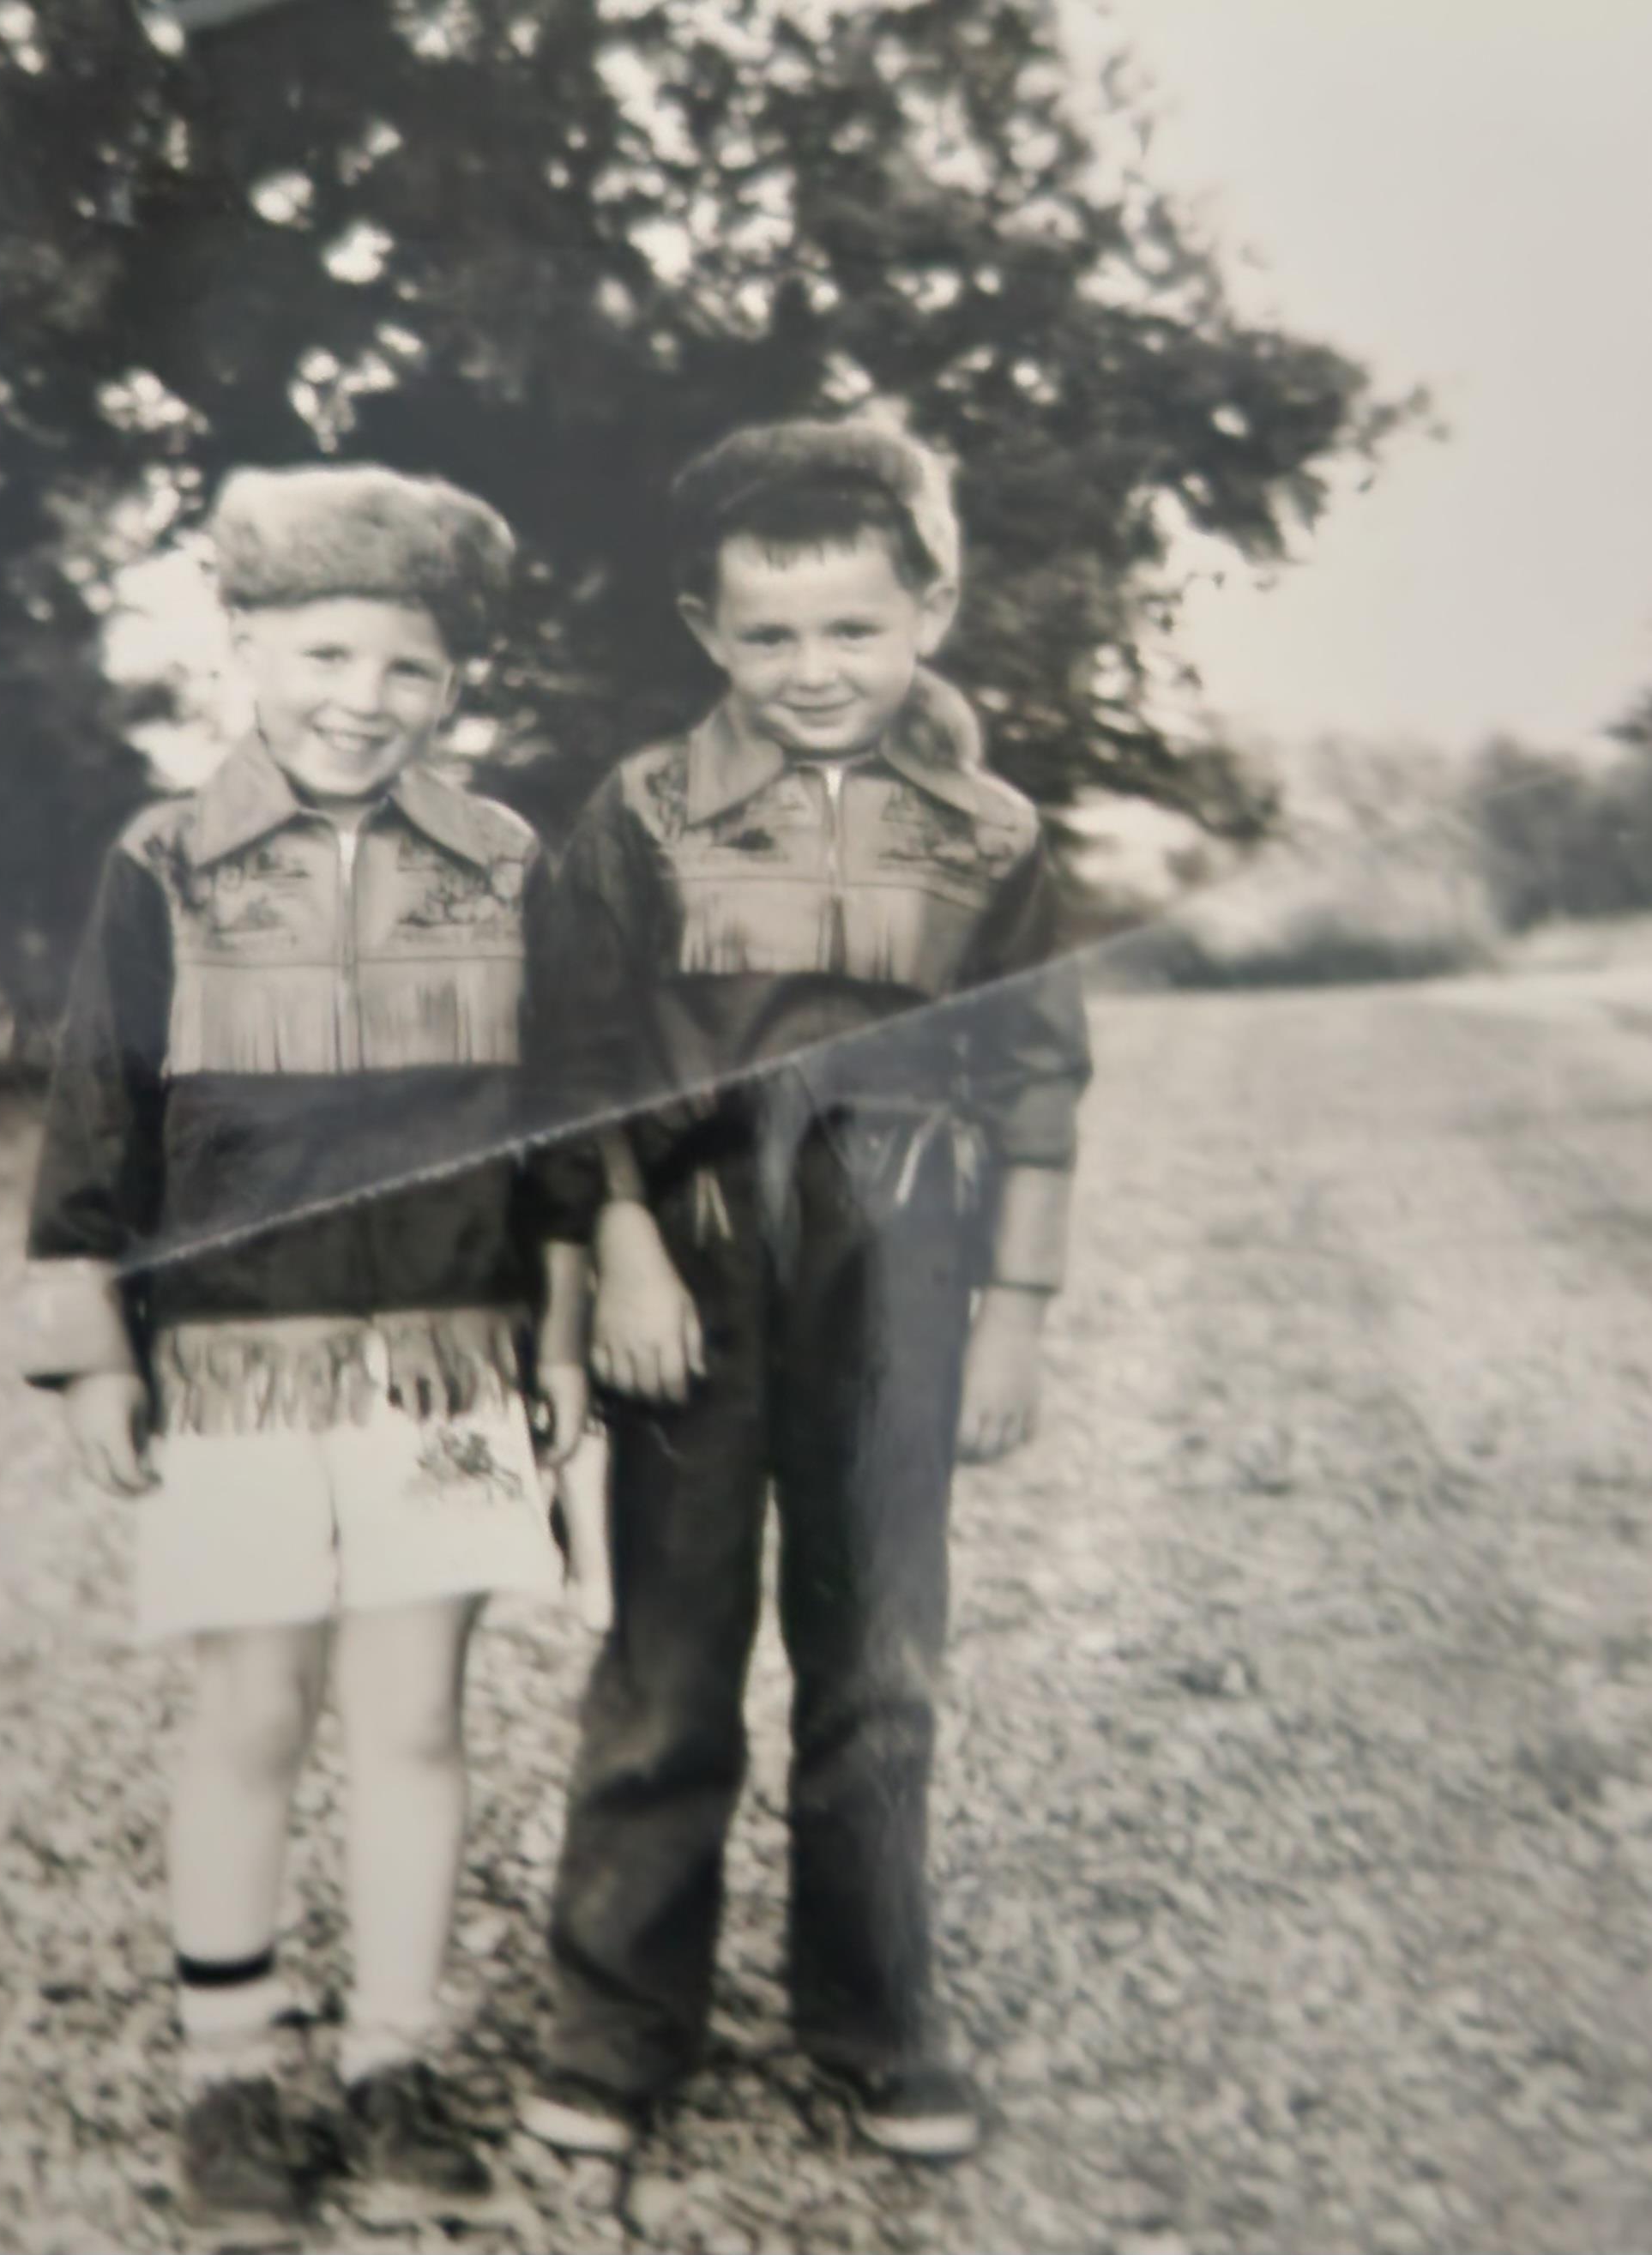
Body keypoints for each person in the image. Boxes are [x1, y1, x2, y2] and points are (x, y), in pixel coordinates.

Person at [18, 464, 594, 2241]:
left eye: (409, 667)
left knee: (417, 1718)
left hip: (448, 1358)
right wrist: (97, 1345)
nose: (363, 696)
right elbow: (96, 1114)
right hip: (239, 1363)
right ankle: (229, 2078)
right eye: (324, 650)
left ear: (454, 685)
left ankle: (394, 2063)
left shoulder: (506, 862)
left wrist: (562, 1320)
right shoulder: (163, 859)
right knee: (253, 1709)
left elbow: (562, 1117)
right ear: (246, 645)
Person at [518, 418, 1093, 2166]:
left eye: (853, 627)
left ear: (931, 607)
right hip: (691, 1265)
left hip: (903, 1266)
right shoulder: (642, 813)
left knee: (879, 1669)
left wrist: (1013, 1315)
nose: (815, 669)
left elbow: (1041, 1085)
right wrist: (617, 1240)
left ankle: (872, 2011)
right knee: (672, 1661)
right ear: (707, 631)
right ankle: (618, 2027)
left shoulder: (991, 835)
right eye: (769, 637)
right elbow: (580, 1056)